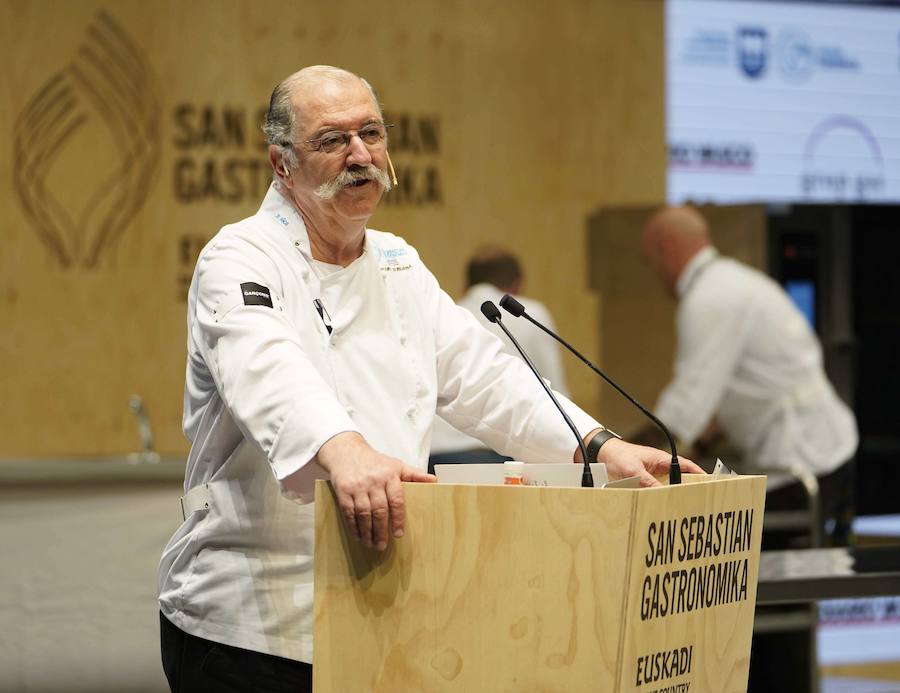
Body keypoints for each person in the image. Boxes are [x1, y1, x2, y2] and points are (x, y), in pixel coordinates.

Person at [157, 66, 699, 693]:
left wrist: (600, 447)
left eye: (371, 133)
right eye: (332, 140)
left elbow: (486, 379)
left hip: (379, 606)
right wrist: (348, 450)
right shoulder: (240, 256)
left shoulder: (397, 264)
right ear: (281, 164)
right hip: (252, 627)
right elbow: (266, 369)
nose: (360, 154)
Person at [637, 205, 858, 546]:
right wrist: (699, 443)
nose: (654, 273)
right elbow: (742, 388)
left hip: (805, 460)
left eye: (651, 261)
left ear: (667, 249)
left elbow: (682, 411)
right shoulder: (733, 281)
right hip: (826, 449)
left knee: (730, 553)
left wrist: (617, 450)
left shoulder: (709, 298)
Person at [429, 246, 569, 471]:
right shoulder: (530, 313)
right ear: (516, 285)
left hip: (436, 456)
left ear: (467, 284)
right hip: (498, 456)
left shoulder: (449, 314)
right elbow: (556, 394)